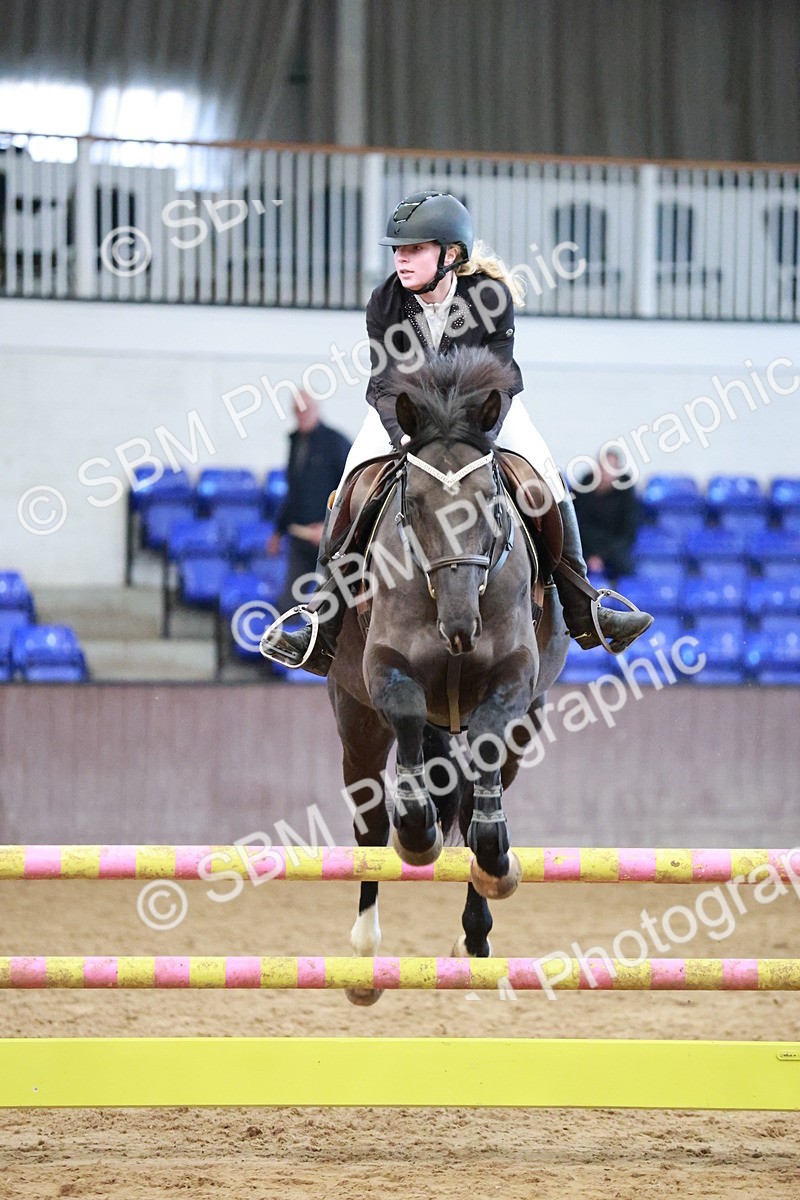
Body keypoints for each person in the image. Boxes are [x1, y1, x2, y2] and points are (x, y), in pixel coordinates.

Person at [266, 191, 652, 675]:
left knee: (547, 483)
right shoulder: (385, 301)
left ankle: (584, 607)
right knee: (349, 492)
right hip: (405, 413)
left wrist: (476, 433)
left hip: (483, 412)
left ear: (451, 254)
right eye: (398, 250)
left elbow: (500, 378)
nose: (401, 259)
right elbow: (386, 385)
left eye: (415, 249)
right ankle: (320, 623)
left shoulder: (490, 296)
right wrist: (406, 438)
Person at [267, 391, 351, 610]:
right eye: (298, 410)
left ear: (316, 409)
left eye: (306, 409)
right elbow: (293, 492)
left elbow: (348, 490)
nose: (302, 414)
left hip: (329, 539)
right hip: (299, 535)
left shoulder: (336, 443)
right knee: (289, 604)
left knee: (329, 604)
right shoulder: (296, 442)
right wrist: (278, 531)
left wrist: (328, 526)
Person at [572, 449, 642, 580]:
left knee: (625, 565)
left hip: (613, 549)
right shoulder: (583, 488)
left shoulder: (625, 493)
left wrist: (602, 556)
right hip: (584, 546)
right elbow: (575, 524)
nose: (606, 473)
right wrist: (590, 554)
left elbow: (627, 531)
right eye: (603, 467)